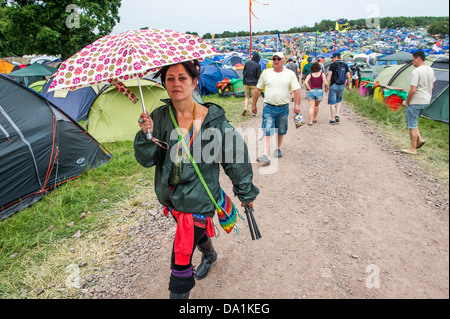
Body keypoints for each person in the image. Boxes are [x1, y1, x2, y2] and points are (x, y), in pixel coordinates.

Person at [134, 60, 260, 299]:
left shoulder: (213, 121)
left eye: (182, 78)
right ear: (164, 84)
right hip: (171, 197)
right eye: (169, 79)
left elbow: (236, 159)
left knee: (180, 261)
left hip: (199, 200)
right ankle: (210, 254)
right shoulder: (159, 117)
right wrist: (145, 134)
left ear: (194, 82)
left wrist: (246, 195)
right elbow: (147, 160)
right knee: (196, 233)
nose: (175, 83)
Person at [251, 52, 301, 166]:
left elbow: (296, 90)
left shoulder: (290, 74)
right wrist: (253, 105)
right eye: (274, 59)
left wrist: (297, 105)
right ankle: (266, 155)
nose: (276, 61)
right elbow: (258, 90)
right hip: (268, 106)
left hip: (283, 107)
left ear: (283, 60)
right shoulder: (266, 74)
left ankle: (277, 148)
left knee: (281, 129)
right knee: (267, 129)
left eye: (278, 59)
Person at [402, 51, 435, 155]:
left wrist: (407, 101)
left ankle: (413, 148)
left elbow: (412, 89)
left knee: (411, 124)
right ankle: (419, 139)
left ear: (418, 59)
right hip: (426, 100)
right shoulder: (430, 70)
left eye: (413, 60)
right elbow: (432, 86)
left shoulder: (416, 72)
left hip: (416, 100)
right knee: (414, 120)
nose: (412, 63)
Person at [327, 52, 351, 124]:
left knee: (332, 102)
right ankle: (337, 115)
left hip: (334, 85)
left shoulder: (332, 65)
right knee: (339, 100)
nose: (332, 59)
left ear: (337, 57)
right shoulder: (345, 65)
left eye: (333, 58)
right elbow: (348, 76)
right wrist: (348, 85)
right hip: (342, 85)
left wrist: (326, 84)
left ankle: (332, 119)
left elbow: (329, 75)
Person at [243, 52, 262, 116]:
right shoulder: (258, 65)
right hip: (253, 83)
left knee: (247, 97)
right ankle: (253, 112)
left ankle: (245, 108)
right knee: (254, 98)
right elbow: (258, 76)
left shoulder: (247, 63)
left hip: (246, 82)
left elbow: (243, 73)